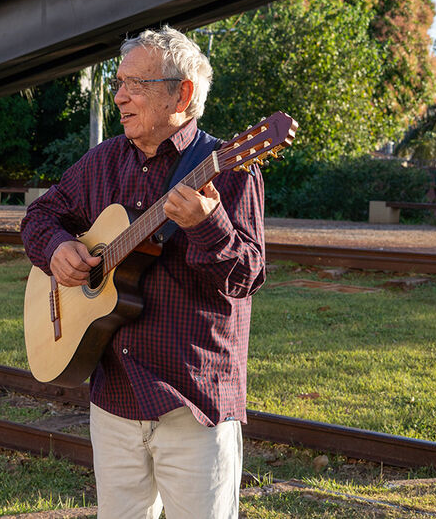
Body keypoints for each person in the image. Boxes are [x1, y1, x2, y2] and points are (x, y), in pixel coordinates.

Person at [20, 26, 265, 518]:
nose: (119, 97)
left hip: (193, 401)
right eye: (118, 83)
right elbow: (38, 217)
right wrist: (58, 249)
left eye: (136, 84)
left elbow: (247, 276)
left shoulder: (231, 169)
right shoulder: (103, 161)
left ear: (183, 93)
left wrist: (208, 223)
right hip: (115, 397)